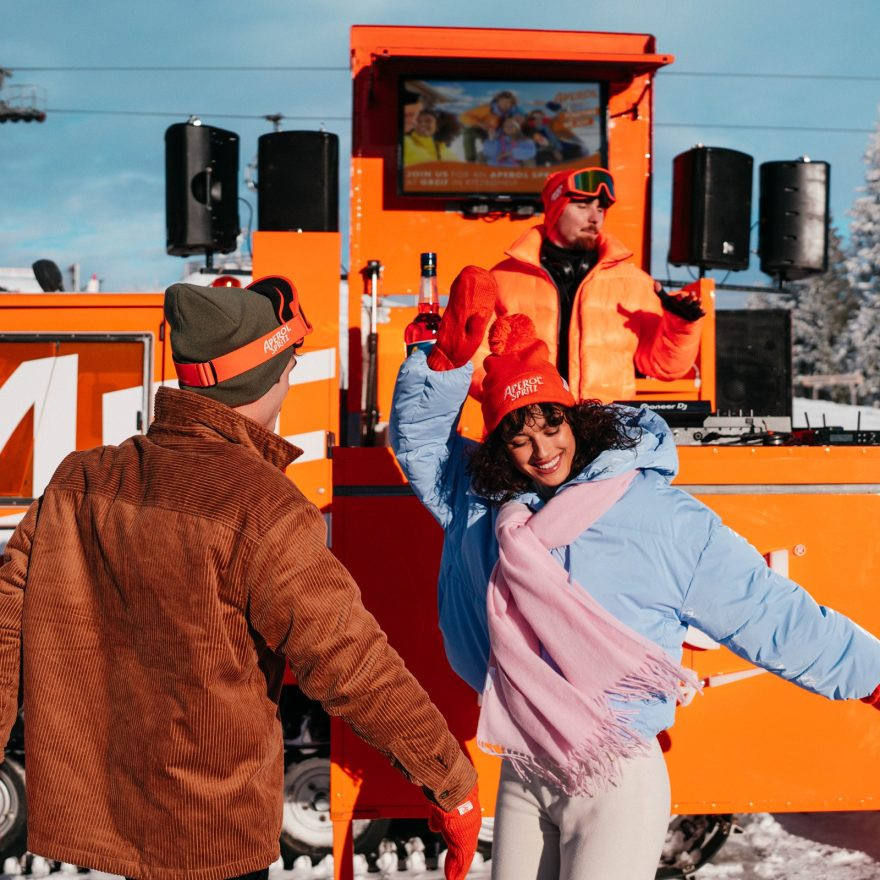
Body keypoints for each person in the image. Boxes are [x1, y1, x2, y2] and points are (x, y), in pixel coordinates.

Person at [389, 266, 880, 880]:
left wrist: (870, 676)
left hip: (616, 773)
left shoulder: (655, 514)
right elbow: (422, 445)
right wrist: (443, 366)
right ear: (498, 450)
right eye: (518, 438)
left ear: (576, 419)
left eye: (552, 425)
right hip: (525, 766)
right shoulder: (482, 506)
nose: (542, 451)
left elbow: (765, 610)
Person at [0, 277, 481, 880]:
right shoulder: (262, 507)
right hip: (212, 835)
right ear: (269, 374)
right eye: (289, 362)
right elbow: (351, 661)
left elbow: (5, 631)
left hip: (108, 823)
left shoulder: (81, 481)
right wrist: (450, 781)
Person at [470, 166, 705, 404]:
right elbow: (474, 360)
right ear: (554, 210)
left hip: (608, 431)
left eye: (600, 209)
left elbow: (664, 367)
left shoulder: (635, 284)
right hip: (531, 432)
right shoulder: (501, 278)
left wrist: (680, 326)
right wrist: (515, 403)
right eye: (582, 206)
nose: (595, 217)